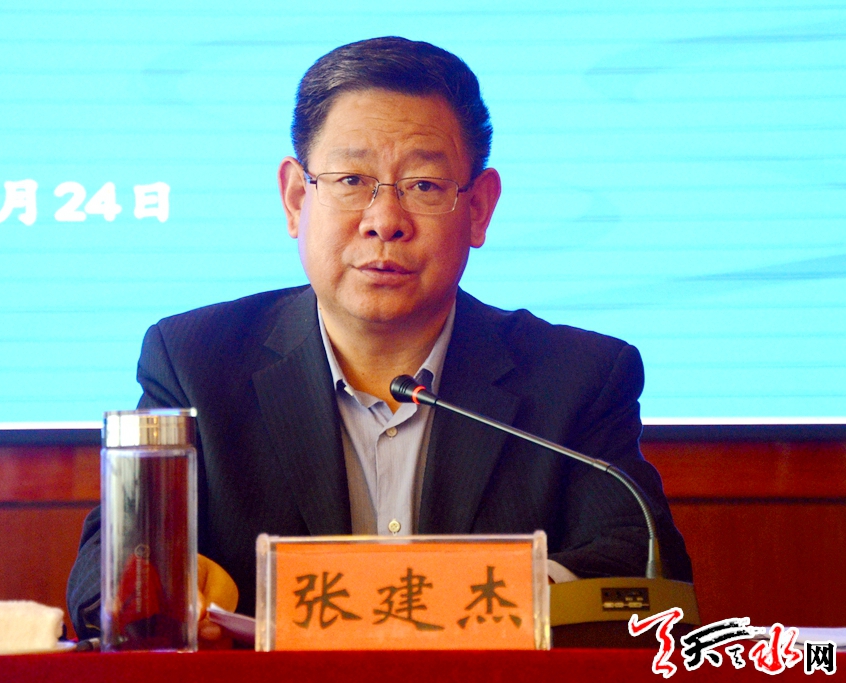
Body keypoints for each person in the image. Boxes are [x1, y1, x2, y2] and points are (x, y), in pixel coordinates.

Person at [67, 36, 692, 641]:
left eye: (423, 186)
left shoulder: (578, 377)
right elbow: (108, 571)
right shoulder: (196, 362)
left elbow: (642, 562)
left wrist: (487, 602)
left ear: (478, 209)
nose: (384, 221)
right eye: (350, 180)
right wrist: (165, 594)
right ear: (295, 198)